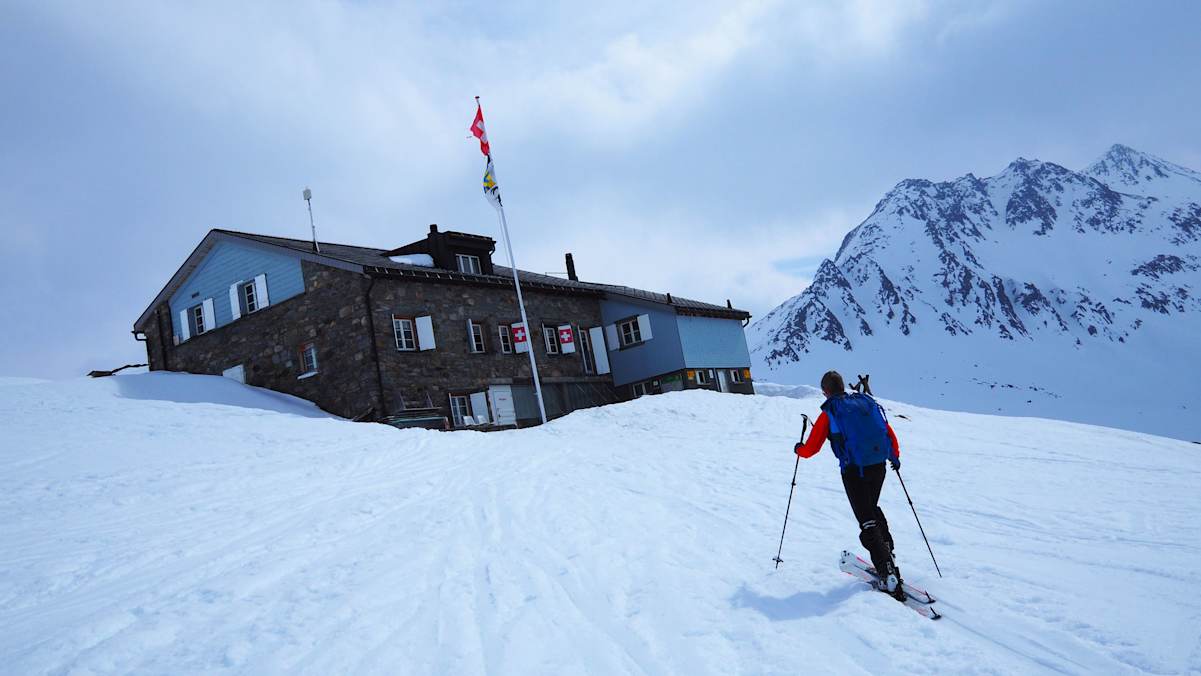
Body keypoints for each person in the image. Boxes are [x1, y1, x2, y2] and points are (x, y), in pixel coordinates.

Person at [794, 370, 905, 598]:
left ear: (825, 391)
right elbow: (887, 431)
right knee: (871, 507)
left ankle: (887, 573)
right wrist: (894, 456)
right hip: (878, 466)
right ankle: (888, 552)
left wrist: (799, 450)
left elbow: (812, 447)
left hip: (854, 471)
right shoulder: (865, 403)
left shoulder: (831, 411)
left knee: (866, 519)